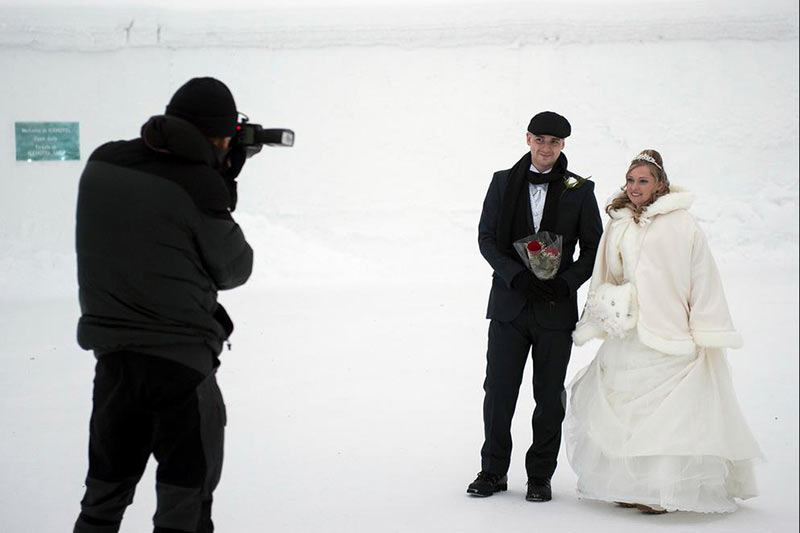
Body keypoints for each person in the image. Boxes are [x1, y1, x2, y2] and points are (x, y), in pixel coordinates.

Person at [73, 77, 253, 533]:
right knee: (184, 511)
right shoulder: (200, 186)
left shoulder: (103, 163)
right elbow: (234, 269)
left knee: (102, 501)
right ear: (217, 137)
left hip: (114, 366)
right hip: (182, 373)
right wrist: (221, 180)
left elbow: (155, 218)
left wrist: (211, 171)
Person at [565, 149, 761, 514]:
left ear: (660, 185)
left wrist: (705, 327)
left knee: (667, 417)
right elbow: (605, 274)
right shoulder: (618, 223)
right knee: (625, 412)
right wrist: (602, 312)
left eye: (644, 180)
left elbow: (704, 279)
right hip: (629, 331)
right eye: (630, 180)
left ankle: (661, 491)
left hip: (671, 331)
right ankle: (626, 485)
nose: (635, 187)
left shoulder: (682, 224)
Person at [467, 111, 603, 502]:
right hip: (509, 306)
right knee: (498, 391)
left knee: (547, 396)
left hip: (554, 310)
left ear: (563, 146)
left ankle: (540, 476)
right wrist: (516, 276)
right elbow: (487, 238)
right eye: (540, 139)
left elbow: (594, 248)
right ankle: (492, 472)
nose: (546, 148)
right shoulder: (501, 182)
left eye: (555, 142)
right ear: (528, 139)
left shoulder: (580, 189)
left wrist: (566, 283)